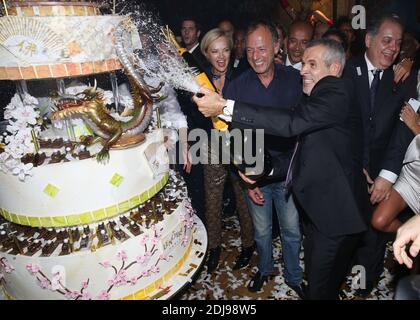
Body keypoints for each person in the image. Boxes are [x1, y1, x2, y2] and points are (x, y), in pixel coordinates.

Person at [193, 39, 368, 300]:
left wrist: (225, 107)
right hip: (321, 215)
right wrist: (264, 172)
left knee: (320, 288)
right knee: (320, 279)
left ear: (334, 69)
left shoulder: (336, 91)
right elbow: (303, 153)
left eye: (312, 64)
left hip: (337, 219)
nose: (303, 70)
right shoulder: (318, 99)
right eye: (302, 63)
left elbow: (290, 124)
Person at [224, 21, 304, 297]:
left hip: (289, 175)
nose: (256, 56)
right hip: (254, 175)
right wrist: (247, 180)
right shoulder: (235, 88)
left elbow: (304, 131)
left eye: (262, 48)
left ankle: (295, 276)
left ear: (276, 47)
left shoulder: (296, 81)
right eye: (249, 51)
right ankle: (265, 268)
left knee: (292, 231)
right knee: (262, 232)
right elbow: (232, 138)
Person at [343, 13, 419, 297]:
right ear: (369, 39)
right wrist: (356, 165)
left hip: (386, 171)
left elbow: (404, 132)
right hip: (351, 167)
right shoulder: (346, 71)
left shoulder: (405, 79)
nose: (392, 48)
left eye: (398, 43)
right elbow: (343, 124)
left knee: (374, 234)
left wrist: (386, 176)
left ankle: (367, 280)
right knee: (349, 227)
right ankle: (348, 272)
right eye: (386, 40)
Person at [200, 28, 255, 273]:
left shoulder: (243, 75)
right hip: (211, 143)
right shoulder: (199, 81)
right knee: (213, 199)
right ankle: (213, 249)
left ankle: (248, 244)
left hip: (241, 142)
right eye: (215, 51)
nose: (221, 57)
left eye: (225, 50)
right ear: (206, 53)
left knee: (244, 197)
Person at [371, 104, 420, 232]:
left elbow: (412, 123)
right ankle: (410, 236)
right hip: (413, 174)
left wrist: (415, 126)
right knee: (379, 221)